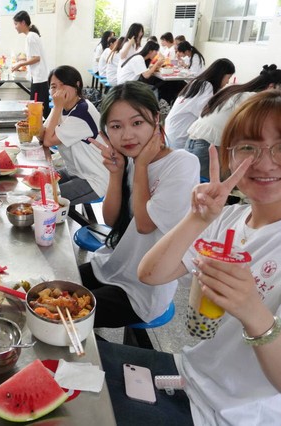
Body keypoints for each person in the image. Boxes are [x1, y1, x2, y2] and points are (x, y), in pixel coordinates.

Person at [132, 90, 281, 425]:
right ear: (229, 156)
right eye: (248, 147)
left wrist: (253, 312)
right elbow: (150, 274)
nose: (263, 162)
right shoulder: (229, 219)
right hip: (189, 377)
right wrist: (198, 218)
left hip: (233, 416)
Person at [79, 81, 199, 327]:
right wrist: (116, 173)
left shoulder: (182, 163)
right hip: (112, 266)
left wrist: (141, 166)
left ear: (156, 119)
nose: (127, 135)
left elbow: (145, 225)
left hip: (142, 291)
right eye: (116, 126)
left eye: (137, 123)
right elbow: (111, 220)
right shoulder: (130, 159)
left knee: (62, 315)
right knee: (47, 289)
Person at [186, 64, 281, 178]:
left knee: (200, 183)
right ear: (271, 86)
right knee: (217, 185)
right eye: (280, 91)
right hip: (207, 147)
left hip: (193, 140)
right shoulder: (252, 98)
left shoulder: (235, 90)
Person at [41, 66, 108, 206]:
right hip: (76, 170)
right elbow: (43, 134)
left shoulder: (82, 111)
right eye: (53, 86)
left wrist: (57, 106)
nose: (58, 90)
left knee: (44, 200)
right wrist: (34, 118)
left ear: (77, 85)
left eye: (63, 84)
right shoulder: (63, 107)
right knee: (40, 185)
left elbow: (47, 141)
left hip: (94, 179)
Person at [166, 59, 235, 150]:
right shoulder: (206, 86)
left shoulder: (198, 82)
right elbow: (205, 113)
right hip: (179, 133)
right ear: (221, 75)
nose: (227, 82)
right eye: (228, 78)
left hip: (173, 129)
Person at [11, 10, 51, 119]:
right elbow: (33, 56)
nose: (15, 27)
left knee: (38, 109)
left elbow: (36, 58)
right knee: (37, 107)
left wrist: (20, 64)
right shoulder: (31, 35)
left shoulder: (31, 36)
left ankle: (41, 128)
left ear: (23, 23)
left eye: (16, 24)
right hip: (39, 77)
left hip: (39, 78)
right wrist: (22, 59)